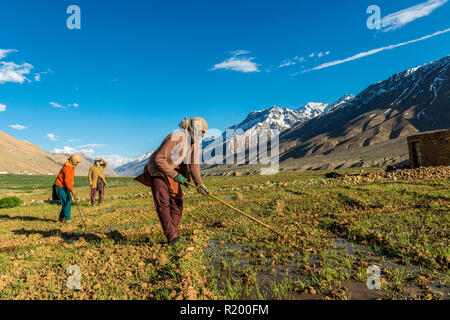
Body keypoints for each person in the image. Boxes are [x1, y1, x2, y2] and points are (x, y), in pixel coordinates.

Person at [135, 117, 210, 244]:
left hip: (172, 171)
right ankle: (172, 237)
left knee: (177, 203)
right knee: (163, 203)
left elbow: (194, 165)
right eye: (201, 131)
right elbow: (159, 159)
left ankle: (173, 233)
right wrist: (175, 175)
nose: (202, 135)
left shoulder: (195, 143)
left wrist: (200, 184)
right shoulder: (177, 136)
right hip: (157, 170)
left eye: (204, 133)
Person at [53, 154, 82, 223]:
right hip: (60, 187)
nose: (77, 164)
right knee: (67, 202)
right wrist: (72, 191)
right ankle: (67, 219)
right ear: (72, 161)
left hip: (64, 187)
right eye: (76, 162)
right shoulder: (68, 168)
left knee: (67, 202)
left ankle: (60, 219)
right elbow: (67, 182)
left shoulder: (71, 167)